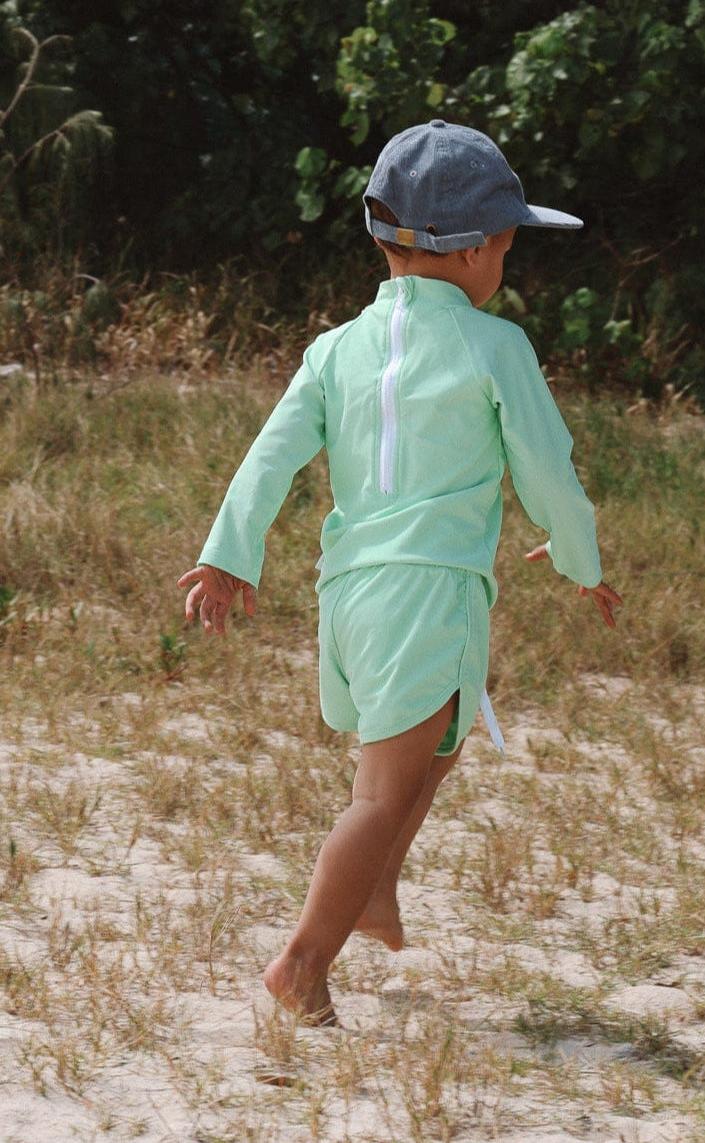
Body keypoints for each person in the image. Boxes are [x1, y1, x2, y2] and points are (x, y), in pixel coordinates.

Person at [178, 118, 621, 1026]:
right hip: (431, 591)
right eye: (508, 241)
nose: (508, 260)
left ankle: (371, 890)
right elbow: (547, 469)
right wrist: (581, 560)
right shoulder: (496, 348)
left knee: (442, 738)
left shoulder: (335, 346)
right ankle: (302, 961)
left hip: (347, 596)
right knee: (379, 795)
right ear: (477, 249)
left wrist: (228, 555)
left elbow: (269, 458)